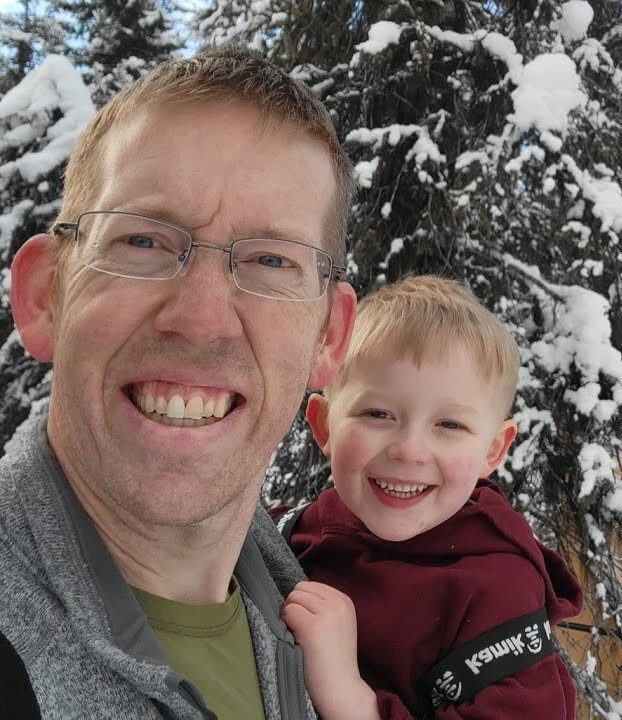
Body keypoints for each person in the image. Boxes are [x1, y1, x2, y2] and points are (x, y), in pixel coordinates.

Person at [0, 47, 358, 719]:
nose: (200, 319)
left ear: (330, 337)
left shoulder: (324, 643)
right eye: (143, 242)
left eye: (271, 259)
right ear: (45, 296)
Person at [273, 275, 584, 719]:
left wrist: (350, 698)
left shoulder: (497, 589)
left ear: (492, 450)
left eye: (450, 425)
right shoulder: (290, 531)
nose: (410, 450)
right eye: (378, 413)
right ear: (324, 426)